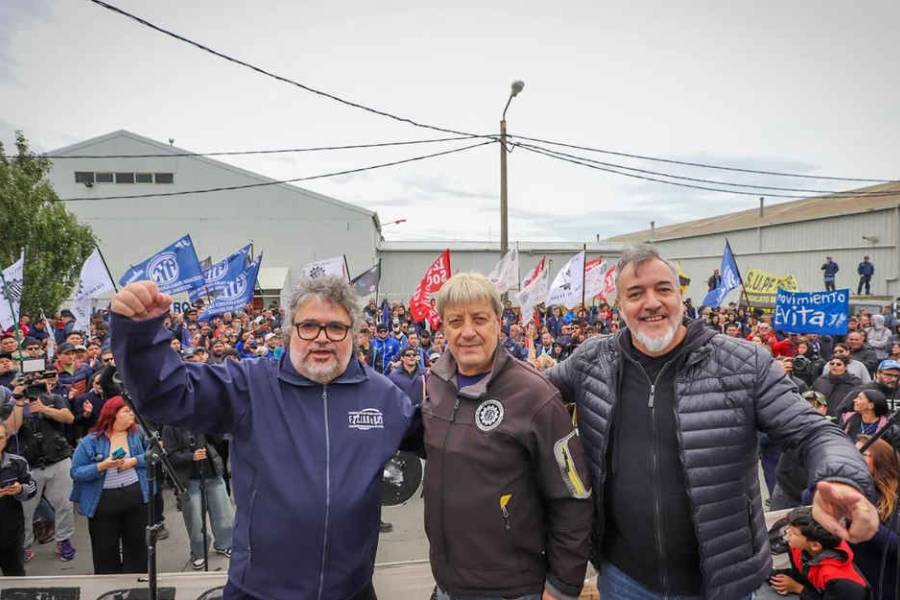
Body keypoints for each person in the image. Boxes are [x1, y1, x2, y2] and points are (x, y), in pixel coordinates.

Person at [547, 244, 876, 600]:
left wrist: (842, 477)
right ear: (620, 307)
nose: (651, 302)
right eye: (635, 293)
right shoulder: (591, 360)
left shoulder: (743, 363)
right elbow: (529, 394)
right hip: (624, 578)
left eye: (663, 289)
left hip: (720, 584)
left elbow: (813, 431)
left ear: (680, 297)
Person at [110, 276, 414, 599]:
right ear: (289, 330)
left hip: (351, 592)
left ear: (353, 333)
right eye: (308, 326)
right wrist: (140, 335)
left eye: (336, 327)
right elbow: (166, 393)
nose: (322, 338)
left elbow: (442, 436)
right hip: (258, 591)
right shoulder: (251, 386)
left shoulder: (384, 397)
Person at [423, 273, 592, 600]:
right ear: (442, 327)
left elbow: (574, 497)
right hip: (446, 585)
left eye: (480, 319)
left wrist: (561, 588)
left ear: (499, 322)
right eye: (455, 321)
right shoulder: (436, 383)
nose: (468, 331)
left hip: (513, 589)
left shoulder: (535, 395)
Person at [70, 397, 149, 574]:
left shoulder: (138, 434)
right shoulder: (90, 441)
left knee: (137, 548)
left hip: (135, 499)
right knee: (105, 551)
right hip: (103, 504)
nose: (131, 414)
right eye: (126, 411)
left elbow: (154, 454)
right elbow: (76, 472)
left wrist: (134, 460)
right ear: (113, 415)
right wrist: (101, 466)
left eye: (131, 410)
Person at [5, 374, 77, 562]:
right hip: (29, 465)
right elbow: (11, 429)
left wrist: (44, 408)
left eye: (36, 380)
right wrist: (19, 401)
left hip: (58, 458)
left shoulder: (53, 398)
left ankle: (64, 540)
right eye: (28, 381)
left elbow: (68, 418)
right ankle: (25, 544)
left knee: (65, 504)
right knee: (26, 509)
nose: (33, 385)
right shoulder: (12, 404)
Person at [162, 425, 233, 570]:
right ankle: (199, 552)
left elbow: (220, 440)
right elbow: (170, 455)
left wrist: (211, 424)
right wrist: (191, 456)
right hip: (189, 478)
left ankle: (225, 544)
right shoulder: (170, 426)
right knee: (194, 519)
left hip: (212, 472)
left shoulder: (201, 419)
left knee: (223, 513)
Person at [770, 506, 869, 599]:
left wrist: (798, 588)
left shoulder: (841, 581)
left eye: (794, 533)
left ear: (815, 546)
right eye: (789, 527)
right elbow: (802, 575)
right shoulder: (799, 547)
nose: (787, 532)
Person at [852, 438, 899, 600]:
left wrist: (864, 521)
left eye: (862, 454)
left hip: (884, 583)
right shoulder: (853, 488)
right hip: (853, 579)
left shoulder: (894, 497)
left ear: (880, 461)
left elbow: (895, 545)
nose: (854, 458)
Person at [0, 421, 37, 576]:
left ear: (6, 438)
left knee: (15, 576)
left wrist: (21, 489)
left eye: (0, 437)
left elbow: (32, 487)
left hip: (10, 532)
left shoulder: (17, 462)